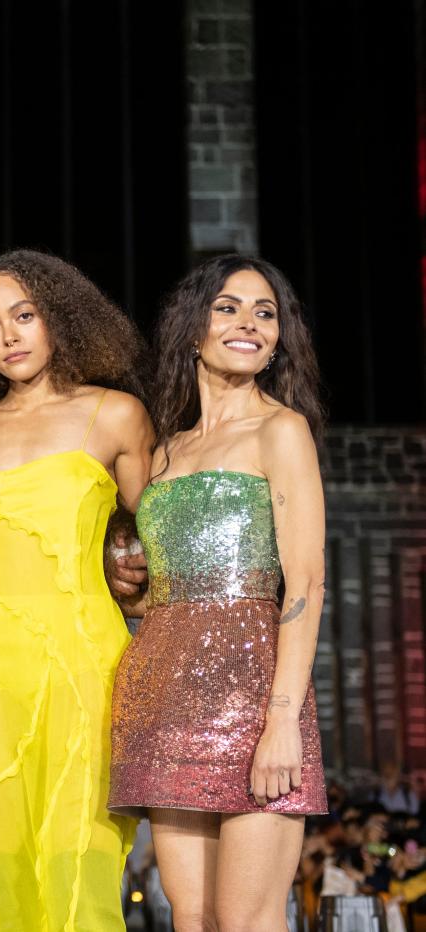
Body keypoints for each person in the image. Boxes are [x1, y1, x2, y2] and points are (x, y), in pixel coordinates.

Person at [0, 249, 153, 931]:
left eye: (24, 316)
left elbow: (159, 546)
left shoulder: (115, 416)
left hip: (82, 676)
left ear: (61, 318)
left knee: (76, 861)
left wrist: (131, 583)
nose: (9, 337)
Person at [107, 255, 328, 931]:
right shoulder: (165, 453)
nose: (250, 323)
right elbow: (165, 589)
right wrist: (126, 590)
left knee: (246, 921)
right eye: (229, 306)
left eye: (266, 313)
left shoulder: (279, 430)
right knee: (193, 919)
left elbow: (307, 580)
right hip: (164, 705)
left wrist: (282, 721)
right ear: (193, 326)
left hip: (257, 707)